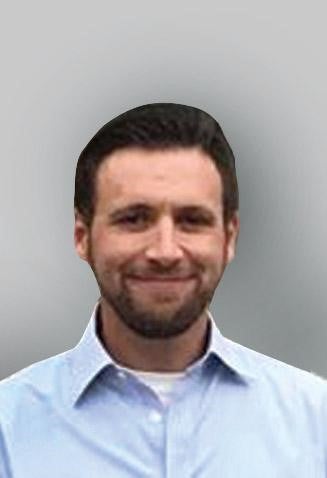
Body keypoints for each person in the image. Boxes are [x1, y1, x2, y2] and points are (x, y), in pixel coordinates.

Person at [0, 103, 326, 477]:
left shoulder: (314, 423)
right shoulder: (8, 431)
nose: (165, 251)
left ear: (229, 238)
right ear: (82, 236)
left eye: (192, 221)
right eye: (134, 219)